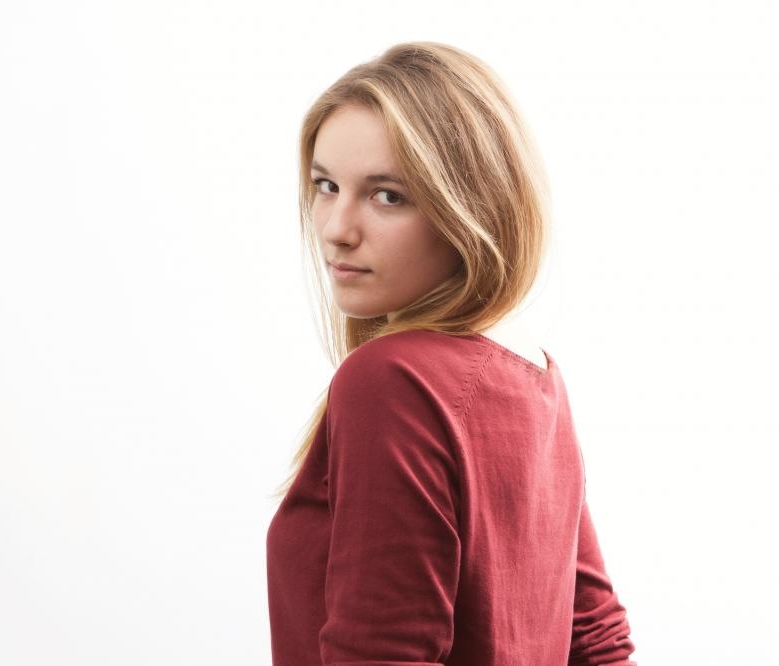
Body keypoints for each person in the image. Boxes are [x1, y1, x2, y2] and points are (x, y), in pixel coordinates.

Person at [266, 41, 636, 665]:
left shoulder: (392, 380)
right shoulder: (535, 373)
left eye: (388, 195)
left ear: (468, 208)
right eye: (326, 186)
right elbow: (598, 642)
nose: (335, 228)